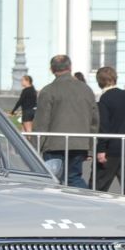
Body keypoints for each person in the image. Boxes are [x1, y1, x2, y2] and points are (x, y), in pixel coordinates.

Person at [32, 53, 96, 187]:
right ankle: (83, 203)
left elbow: (41, 123)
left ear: (52, 69)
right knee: (75, 178)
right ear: (70, 67)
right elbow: (94, 121)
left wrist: (34, 148)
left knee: (53, 180)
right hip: (79, 144)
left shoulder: (48, 91)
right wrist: (90, 148)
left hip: (54, 145)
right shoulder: (86, 89)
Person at [92, 67, 125, 196]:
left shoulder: (104, 99)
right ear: (115, 79)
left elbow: (104, 126)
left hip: (111, 149)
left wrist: (101, 149)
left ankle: (90, 210)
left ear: (99, 82)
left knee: (98, 185)